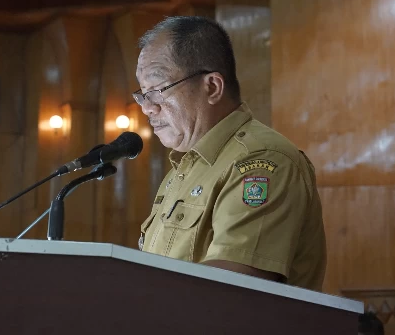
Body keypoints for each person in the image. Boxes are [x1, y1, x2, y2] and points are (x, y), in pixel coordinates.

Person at [135, 16, 326, 291]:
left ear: (212, 87)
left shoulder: (262, 161)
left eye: (156, 91)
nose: (147, 108)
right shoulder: (183, 169)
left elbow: (233, 289)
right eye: (142, 94)